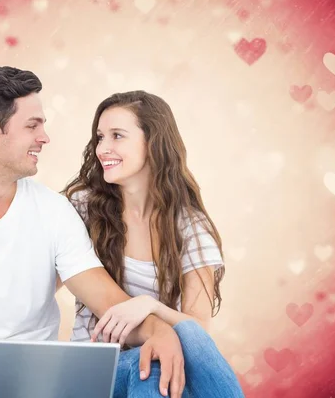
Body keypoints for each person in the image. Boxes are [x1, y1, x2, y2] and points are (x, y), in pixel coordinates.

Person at [0, 67, 186, 398]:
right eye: (32, 125)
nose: (44, 137)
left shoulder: (54, 212)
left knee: (160, 369)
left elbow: (107, 300)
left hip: (43, 388)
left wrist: (159, 330)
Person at [62, 91, 245, 397]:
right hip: (95, 371)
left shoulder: (190, 227)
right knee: (153, 364)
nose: (103, 149)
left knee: (163, 356)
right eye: (100, 137)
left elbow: (197, 334)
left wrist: (150, 306)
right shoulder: (81, 209)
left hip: (163, 359)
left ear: (153, 142)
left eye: (117, 136)